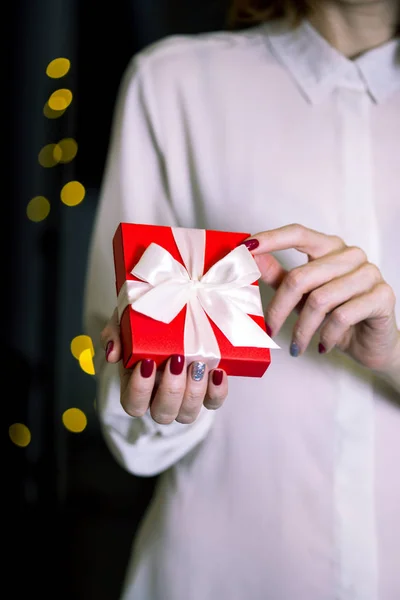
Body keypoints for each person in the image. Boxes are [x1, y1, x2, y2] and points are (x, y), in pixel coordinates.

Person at [83, 0, 400, 598]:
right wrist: (155, 393)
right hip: (216, 574)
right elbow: (127, 418)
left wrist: (393, 355)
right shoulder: (173, 82)